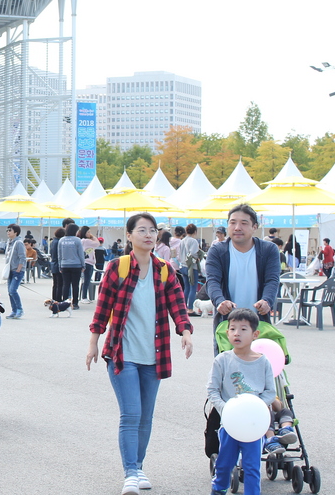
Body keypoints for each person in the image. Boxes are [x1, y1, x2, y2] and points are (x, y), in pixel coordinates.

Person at [86, 212, 193, 495]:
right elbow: (102, 308)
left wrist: (186, 332)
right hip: (122, 354)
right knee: (131, 414)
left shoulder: (165, 270)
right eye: (142, 230)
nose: (148, 235)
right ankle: (130, 472)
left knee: (146, 417)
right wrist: (93, 342)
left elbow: (178, 306)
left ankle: (139, 466)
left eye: (153, 230)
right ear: (130, 235)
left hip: (154, 355)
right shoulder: (117, 267)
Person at [207, 308, 277, 495]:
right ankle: (218, 489)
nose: (237, 333)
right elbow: (213, 390)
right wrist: (226, 409)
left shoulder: (263, 362)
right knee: (224, 464)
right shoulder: (222, 360)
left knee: (252, 467)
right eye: (232, 329)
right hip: (230, 423)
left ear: (255, 334)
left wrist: (257, 407)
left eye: (243, 329)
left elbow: (271, 392)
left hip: (254, 425)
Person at [204, 204, 281, 354]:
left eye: (244, 223)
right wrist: (220, 301)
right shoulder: (218, 251)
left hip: (258, 325)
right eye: (232, 222)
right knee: (227, 372)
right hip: (228, 325)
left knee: (260, 370)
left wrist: (267, 301)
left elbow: (272, 280)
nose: (237, 227)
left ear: (254, 227)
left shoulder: (268, 250)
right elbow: (212, 281)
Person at [58, 223, 85, 307]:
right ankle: (75, 303)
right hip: (76, 265)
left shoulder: (61, 240)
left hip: (64, 265)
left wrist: (60, 265)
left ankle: (64, 303)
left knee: (66, 285)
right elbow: (81, 254)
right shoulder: (77, 240)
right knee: (75, 285)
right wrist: (83, 265)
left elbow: (59, 254)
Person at [5, 224, 26, 319]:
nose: (8, 232)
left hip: (17, 271)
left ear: (16, 232)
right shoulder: (9, 242)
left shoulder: (19, 243)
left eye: (10, 230)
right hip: (10, 269)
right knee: (9, 291)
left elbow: (22, 257)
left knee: (13, 290)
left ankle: (19, 309)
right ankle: (14, 310)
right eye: (7, 230)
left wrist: (19, 269)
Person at [181, 224, 202, 312]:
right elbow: (193, 253)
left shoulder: (182, 241)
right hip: (191, 267)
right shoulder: (193, 241)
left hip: (182, 266)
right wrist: (198, 256)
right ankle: (190, 308)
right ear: (195, 232)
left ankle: (184, 307)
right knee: (193, 288)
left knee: (186, 287)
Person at [79, 226, 97, 303]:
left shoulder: (84, 241)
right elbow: (97, 243)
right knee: (86, 280)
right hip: (87, 262)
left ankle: (84, 296)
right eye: (88, 232)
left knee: (87, 280)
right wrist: (93, 237)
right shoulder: (85, 241)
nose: (90, 234)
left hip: (89, 262)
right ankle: (84, 297)